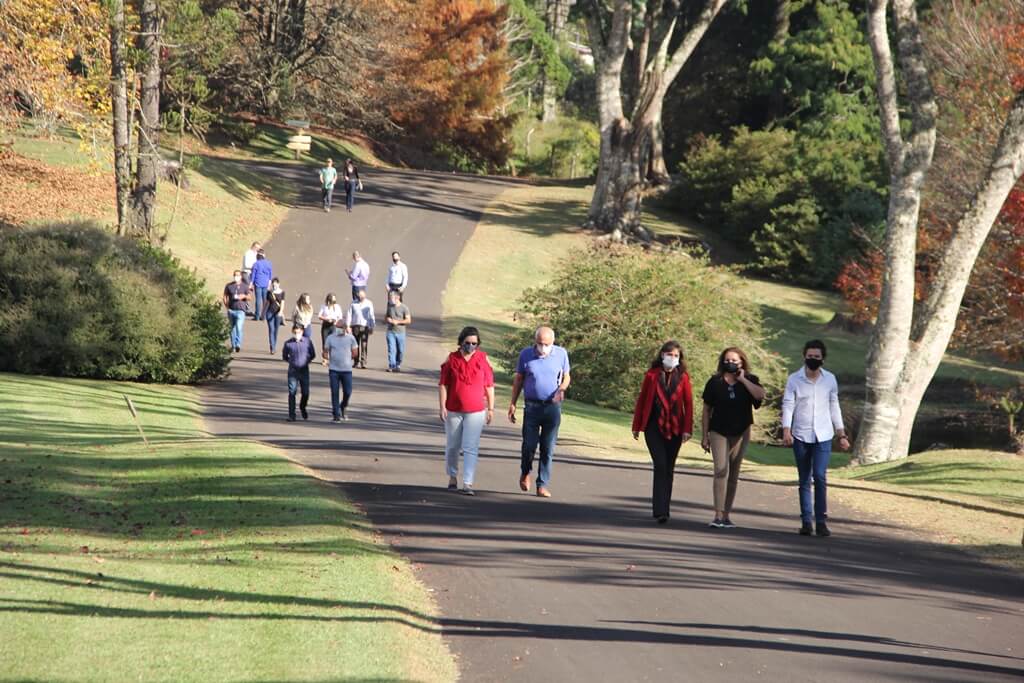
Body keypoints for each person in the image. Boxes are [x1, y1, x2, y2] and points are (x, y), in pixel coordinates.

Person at [781, 339, 850, 538]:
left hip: (824, 435)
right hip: (801, 434)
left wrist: (841, 434)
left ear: (822, 359)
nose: (813, 360)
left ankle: (821, 521)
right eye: (810, 356)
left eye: (817, 357)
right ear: (804, 356)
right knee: (804, 479)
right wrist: (786, 430)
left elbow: (834, 406)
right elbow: (788, 405)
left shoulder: (829, 379)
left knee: (819, 476)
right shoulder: (795, 379)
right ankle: (806, 521)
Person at [700, 347, 766, 529]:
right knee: (721, 469)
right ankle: (718, 514)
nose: (731, 363)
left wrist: (743, 379)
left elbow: (760, 396)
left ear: (742, 362)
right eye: (727, 360)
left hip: (741, 431)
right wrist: (704, 435)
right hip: (718, 430)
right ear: (722, 361)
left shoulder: (750, 381)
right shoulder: (715, 382)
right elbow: (706, 410)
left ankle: (727, 515)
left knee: (733, 473)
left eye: (735, 361)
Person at [631, 341, 694, 524]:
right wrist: (637, 425)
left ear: (679, 358)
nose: (672, 358)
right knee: (660, 465)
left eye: (675, 356)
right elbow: (642, 400)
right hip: (653, 426)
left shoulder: (683, 377)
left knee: (669, 467)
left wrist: (687, 429)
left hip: (675, 427)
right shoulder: (651, 375)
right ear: (662, 355)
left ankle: (665, 509)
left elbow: (688, 404)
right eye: (669, 354)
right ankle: (659, 509)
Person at [507, 326, 571, 498]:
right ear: (535, 342)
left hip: (552, 407)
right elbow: (519, 379)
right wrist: (512, 402)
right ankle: (525, 471)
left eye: (546, 344)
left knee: (547, 447)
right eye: (540, 344)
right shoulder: (526, 355)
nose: (543, 348)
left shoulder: (561, 354)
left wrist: (562, 389)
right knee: (529, 445)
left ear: (553, 343)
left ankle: (542, 484)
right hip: (532, 407)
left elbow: (567, 375)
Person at [439, 326, 495, 495]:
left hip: (476, 410)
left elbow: (489, 385)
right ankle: (452, 476)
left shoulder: (483, 360)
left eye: (474, 344)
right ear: (461, 342)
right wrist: (442, 406)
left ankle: (468, 482)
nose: (471, 346)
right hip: (454, 409)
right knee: (453, 446)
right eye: (468, 343)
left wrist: (491, 408)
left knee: (471, 447)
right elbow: (443, 384)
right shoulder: (452, 359)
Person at [323, 325, 359, 422]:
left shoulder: (351, 338)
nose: (340, 329)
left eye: (342, 327)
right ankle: (336, 414)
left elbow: (355, 353)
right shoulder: (330, 338)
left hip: (346, 370)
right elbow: (325, 350)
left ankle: (343, 406)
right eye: (338, 327)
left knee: (348, 391)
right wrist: (326, 358)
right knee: (334, 392)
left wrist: (347, 358)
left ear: (345, 328)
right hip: (334, 369)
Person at [282, 322, 316, 422]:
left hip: (304, 370)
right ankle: (292, 415)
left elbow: (313, 354)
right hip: (293, 370)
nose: (297, 334)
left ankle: (302, 406)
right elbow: (285, 356)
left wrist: (306, 361)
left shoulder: (307, 342)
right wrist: (291, 362)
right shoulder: (288, 343)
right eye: (295, 332)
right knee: (292, 392)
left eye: (299, 332)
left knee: (305, 392)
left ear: (302, 332)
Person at [345, 289, 375, 369]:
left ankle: (363, 362)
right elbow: (349, 314)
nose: (361, 298)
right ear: (357, 296)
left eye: (362, 297)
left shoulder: (369, 303)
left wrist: (372, 326)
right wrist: (348, 326)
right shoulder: (353, 303)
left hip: (365, 326)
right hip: (355, 326)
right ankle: (356, 361)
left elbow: (371, 315)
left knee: (364, 345)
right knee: (355, 345)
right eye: (359, 297)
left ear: (365, 296)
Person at [222, 270, 249, 353]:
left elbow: (249, 297)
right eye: (234, 275)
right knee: (232, 329)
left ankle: (238, 344)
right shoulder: (229, 286)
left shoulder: (245, 286)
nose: (236, 277)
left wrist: (243, 296)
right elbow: (225, 296)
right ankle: (233, 345)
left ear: (241, 276)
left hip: (241, 310)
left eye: (237, 275)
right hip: (232, 310)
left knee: (238, 327)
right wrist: (227, 307)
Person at [384, 289, 412, 372]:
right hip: (390, 331)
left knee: (400, 351)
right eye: (390, 297)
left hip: (400, 332)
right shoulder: (390, 306)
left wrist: (398, 322)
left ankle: (398, 364)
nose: (390, 299)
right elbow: (386, 317)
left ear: (397, 298)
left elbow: (408, 320)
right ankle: (392, 365)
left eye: (391, 297)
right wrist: (388, 319)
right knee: (391, 349)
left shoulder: (404, 308)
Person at [318, 292, 345, 358]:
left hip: (334, 325)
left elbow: (340, 316)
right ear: (328, 300)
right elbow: (319, 316)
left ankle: (333, 357)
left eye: (334, 300)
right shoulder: (324, 306)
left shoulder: (337, 307)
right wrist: (326, 319)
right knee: (325, 342)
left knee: (333, 342)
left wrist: (337, 322)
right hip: (325, 325)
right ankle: (325, 358)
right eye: (332, 300)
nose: (334, 302)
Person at [264, 278, 286, 354]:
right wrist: (263, 313)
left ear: (278, 284)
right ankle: (272, 347)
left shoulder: (282, 292)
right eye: (273, 284)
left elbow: (282, 303)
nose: (274, 285)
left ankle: (274, 345)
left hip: (277, 313)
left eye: (276, 284)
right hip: (269, 312)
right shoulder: (269, 292)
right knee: (271, 329)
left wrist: (281, 311)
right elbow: (266, 303)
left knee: (276, 330)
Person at [249, 249, 273, 321]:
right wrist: (269, 283)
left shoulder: (256, 264)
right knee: (265, 300)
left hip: (258, 283)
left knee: (258, 300)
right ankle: (264, 316)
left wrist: (251, 284)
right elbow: (270, 275)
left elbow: (253, 275)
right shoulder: (268, 263)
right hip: (265, 283)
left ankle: (257, 316)